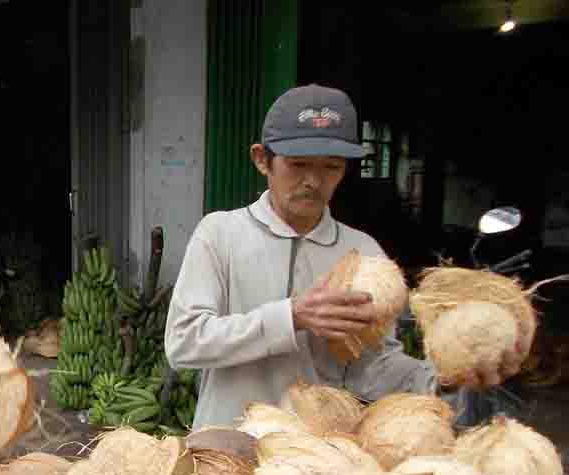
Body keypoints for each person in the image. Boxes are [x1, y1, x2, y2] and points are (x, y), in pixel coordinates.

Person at [165, 84, 524, 429]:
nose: (313, 181)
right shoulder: (220, 234)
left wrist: (443, 379)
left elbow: (372, 367)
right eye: (298, 164)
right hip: (227, 447)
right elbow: (184, 343)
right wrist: (292, 316)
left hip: (320, 455)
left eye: (330, 167)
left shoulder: (365, 254)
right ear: (262, 160)